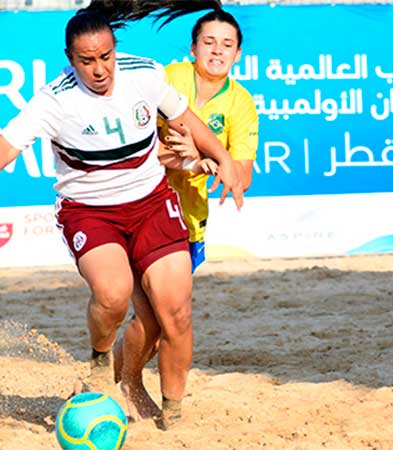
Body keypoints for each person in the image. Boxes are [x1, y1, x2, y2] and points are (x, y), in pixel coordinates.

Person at [0, 0, 241, 430]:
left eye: (106, 57)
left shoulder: (144, 74)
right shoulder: (54, 100)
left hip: (151, 203)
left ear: (116, 49)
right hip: (90, 212)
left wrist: (222, 158)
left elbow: (186, 117)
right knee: (114, 294)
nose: (99, 69)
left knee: (176, 312)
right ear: (69, 59)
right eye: (87, 61)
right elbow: (6, 145)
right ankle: (101, 360)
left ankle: (172, 416)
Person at [114, 6, 258, 425]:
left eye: (227, 45)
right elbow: (127, 147)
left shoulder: (242, 104)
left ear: (238, 55)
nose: (217, 51)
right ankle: (127, 384)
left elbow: (242, 174)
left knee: (161, 321)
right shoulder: (166, 80)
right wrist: (189, 160)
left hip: (188, 222)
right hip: (136, 206)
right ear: (192, 48)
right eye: (209, 42)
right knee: (151, 318)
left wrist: (207, 158)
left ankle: (111, 380)